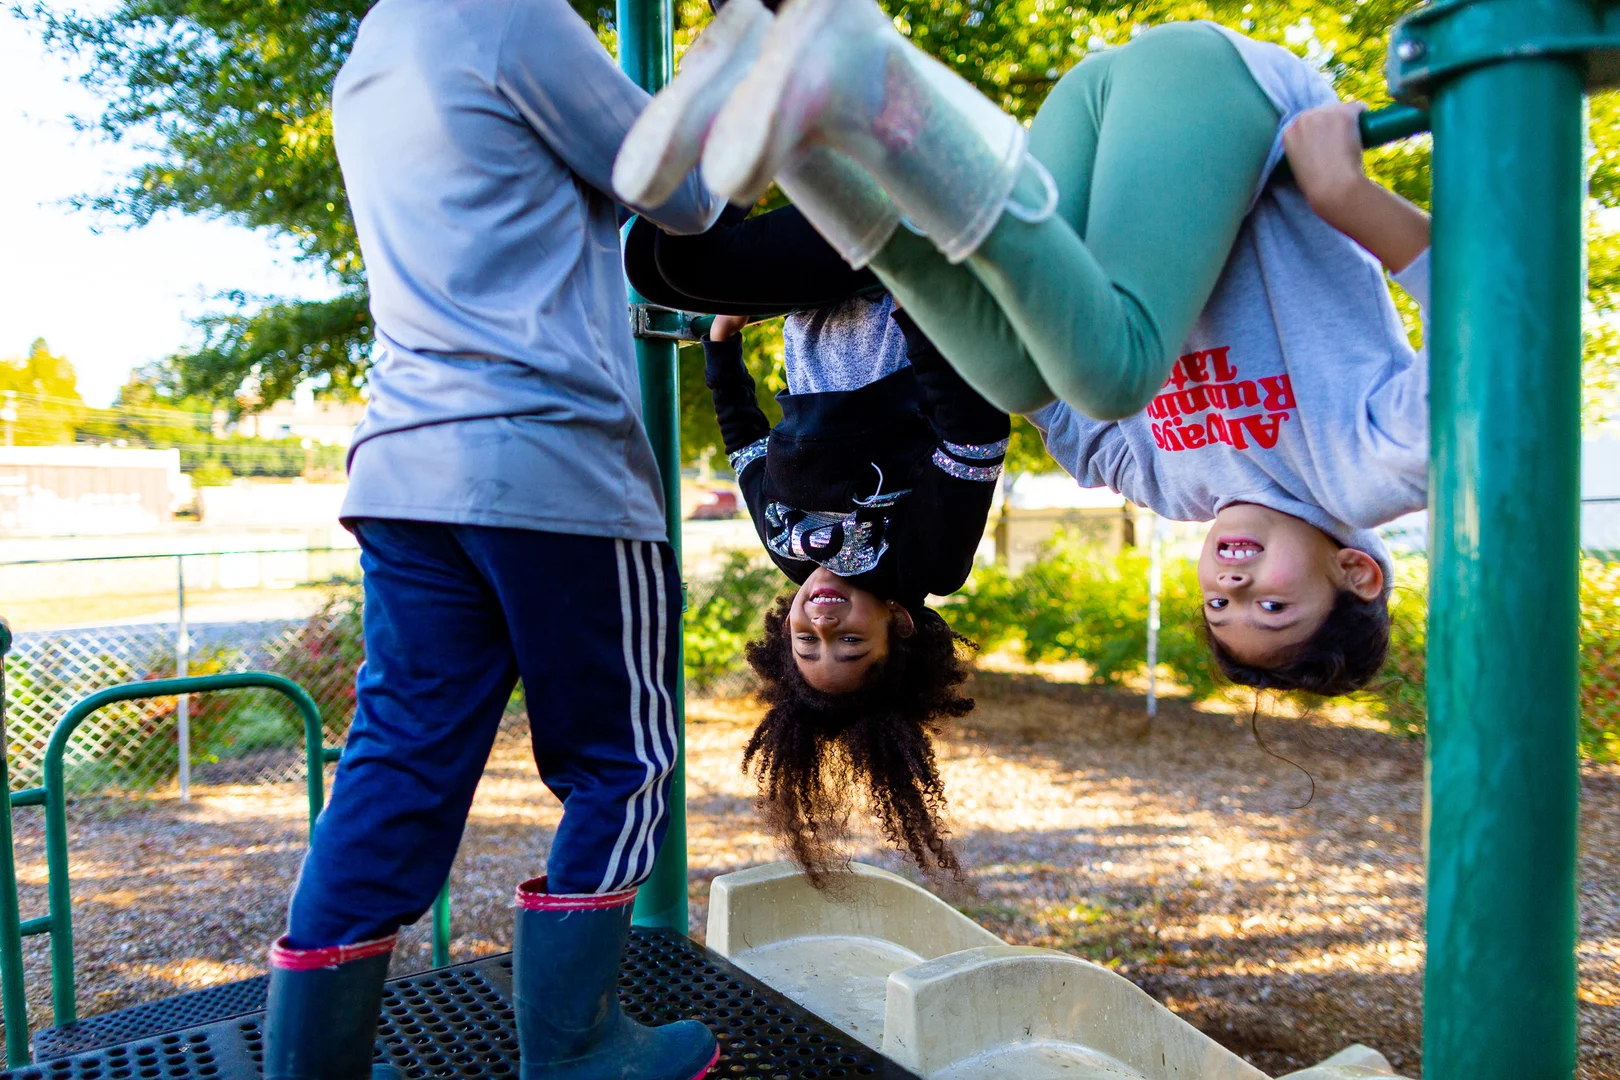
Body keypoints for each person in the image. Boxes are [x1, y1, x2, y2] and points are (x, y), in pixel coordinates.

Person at [618, 3, 1432, 694]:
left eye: (1221, 608)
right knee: (1111, 377)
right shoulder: (1374, 471)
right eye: (1271, 606)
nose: (1231, 586)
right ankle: (867, 81)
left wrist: (927, 301)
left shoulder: (1172, 487)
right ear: (1357, 572)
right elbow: (1483, 318)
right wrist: (1346, 196)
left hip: (1075, 147)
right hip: (1214, 103)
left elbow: (1010, 396)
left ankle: (798, 103)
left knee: (678, 269)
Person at [263, 0, 727, 1076]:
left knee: (394, 766)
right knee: (626, 758)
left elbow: (525, 205)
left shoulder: (375, 51)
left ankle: (309, 1068)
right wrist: (725, 68)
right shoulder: (516, 17)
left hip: (405, 465)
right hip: (549, 464)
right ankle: (574, 1049)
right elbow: (686, 196)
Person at [625, 196, 1006, 882]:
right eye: (850, 641)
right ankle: (773, 144)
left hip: (811, 312)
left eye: (809, 642)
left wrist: (721, 355)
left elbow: (746, 452)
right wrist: (919, 311)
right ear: (900, 627)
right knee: (680, 257)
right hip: (891, 305)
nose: (822, 622)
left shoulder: (788, 552)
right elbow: (976, 439)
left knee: (653, 265)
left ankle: (764, 157)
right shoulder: (926, 560)